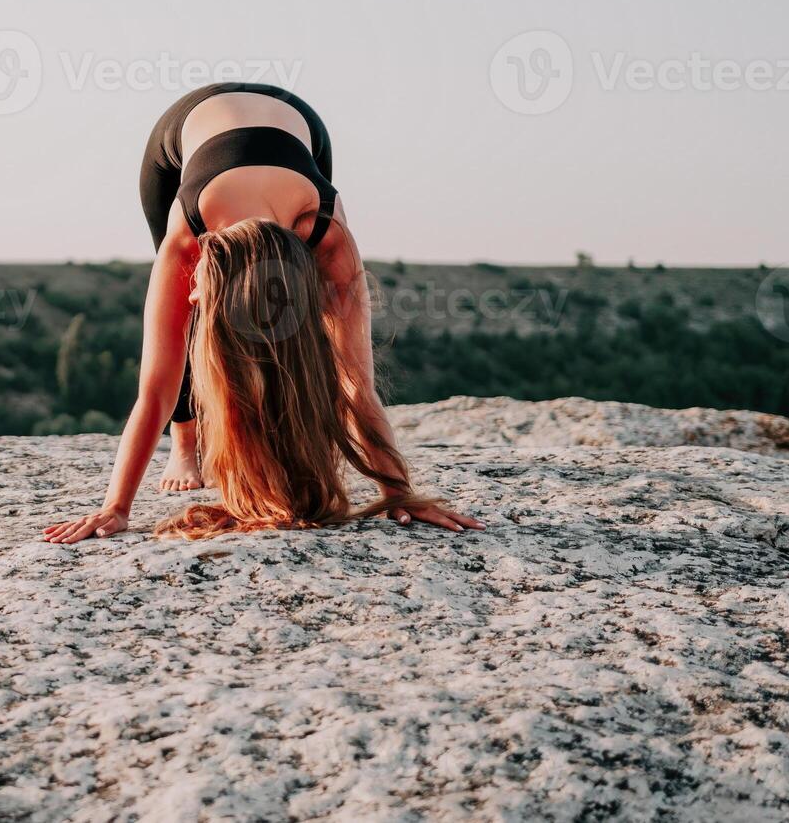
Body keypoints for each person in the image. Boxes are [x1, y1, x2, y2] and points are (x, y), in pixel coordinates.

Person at [43, 83, 484, 543]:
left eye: (197, 293)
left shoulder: (328, 234)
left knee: (290, 338)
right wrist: (116, 508)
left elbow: (356, 384)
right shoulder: (185, 235)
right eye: (200, 290)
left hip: (299, 124)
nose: (191, 297)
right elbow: (154, 389)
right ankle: (185, 441)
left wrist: (398, 495)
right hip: (186, 128)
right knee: (188, 335)